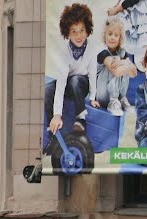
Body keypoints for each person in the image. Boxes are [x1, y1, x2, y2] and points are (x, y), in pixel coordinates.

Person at [46, 3, 98, 138]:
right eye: (74, 31)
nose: (78, 35)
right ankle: (53, 130)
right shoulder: (65, 51)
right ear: (67, 33)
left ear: (87, 30)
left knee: (76, 80)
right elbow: (62, 81)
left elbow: (92, 73)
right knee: (47, 90)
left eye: (81, 30)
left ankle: (81, 119)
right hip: (69, 83)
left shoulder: (92, 47)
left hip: (82, 83)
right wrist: (57, 114)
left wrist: (93, 97)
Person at [95, 17, 137, 115]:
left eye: (116, 35)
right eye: (110, 34)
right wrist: (126, 64)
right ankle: (113, 101)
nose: (112, 37)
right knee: (115, 67)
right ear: (105, 35)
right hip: (102, 93)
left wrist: (123, 62)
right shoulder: (102, 52)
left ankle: (121, 98)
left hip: (117, 94)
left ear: (120, 38)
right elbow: (116, 72)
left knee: (123, 64)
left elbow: (134, 73)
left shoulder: (122, 53)